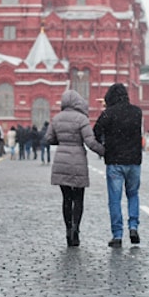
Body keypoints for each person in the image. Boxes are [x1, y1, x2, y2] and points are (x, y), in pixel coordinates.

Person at [45, 89, 106, 247]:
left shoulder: (57, 118)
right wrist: (105, 152)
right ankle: (76, 230)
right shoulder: (82, 119)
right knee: (78, 198)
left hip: (61, 160)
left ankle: (67, 230)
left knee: (66, 198)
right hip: (78, 160)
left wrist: (63, 142)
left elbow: (49, 138)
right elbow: (90, 142)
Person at [93, 83, 144, 247]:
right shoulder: (137, 112)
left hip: (115, 161)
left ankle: (117, 235)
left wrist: (104, 147)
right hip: (134, 162)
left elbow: (96, 132)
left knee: (115, 199)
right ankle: (134, 226)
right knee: (133, 195)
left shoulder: (108, 114)